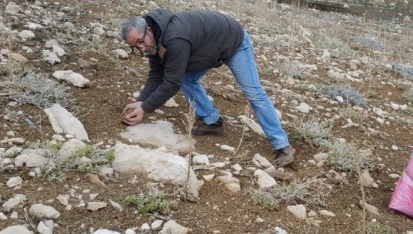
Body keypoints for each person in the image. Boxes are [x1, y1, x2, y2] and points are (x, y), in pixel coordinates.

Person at [120, 9, 295, 167]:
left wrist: (145, 108)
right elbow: (157, 73)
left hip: (233, 42)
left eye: (141, 42)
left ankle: (282, 145)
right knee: (187, 78)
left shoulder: (174, 38)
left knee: (254, 93)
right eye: (135, 47)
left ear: (148, 30)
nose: (141, 48)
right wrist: (142, 100)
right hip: (208, 49)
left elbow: (171, 82)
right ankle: (212, 122)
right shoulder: (154, 40)